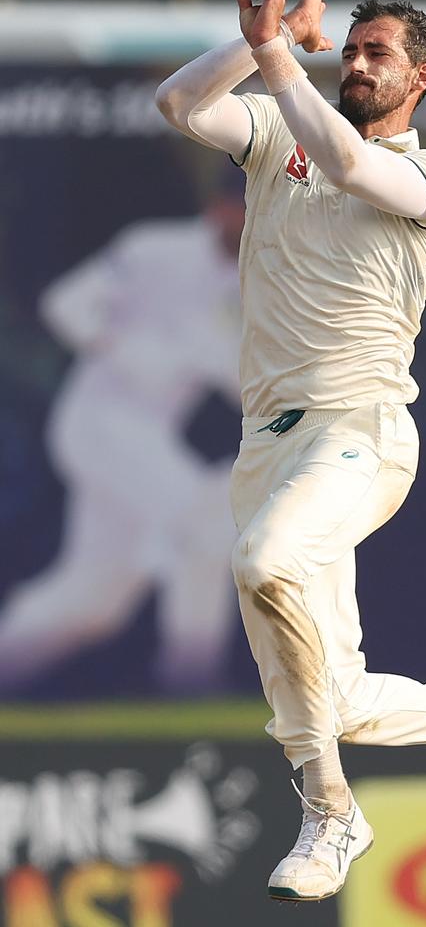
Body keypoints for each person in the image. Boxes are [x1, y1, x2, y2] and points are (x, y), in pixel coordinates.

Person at [156, 0, 426, 902]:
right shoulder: (278, 127)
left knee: (265, 563)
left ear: (420, 76)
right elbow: (181, 104)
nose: (354, 61)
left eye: (375, 52)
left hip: (361, 434)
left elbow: (348, 164)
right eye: (346, 48)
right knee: (330, 700)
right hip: (262, 444)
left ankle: (331, 814)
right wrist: (257, 40)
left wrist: (274, 54)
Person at [0, 172, 244, 693]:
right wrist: (117, 344)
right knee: (204, 529)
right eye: (247, 207)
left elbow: (245, 382)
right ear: (221, 208)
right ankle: (192, 693)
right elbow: (64, 303)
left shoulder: (254, 284)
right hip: (97, 423)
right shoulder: (154, 248)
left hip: (151, 440)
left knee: (94, 603)